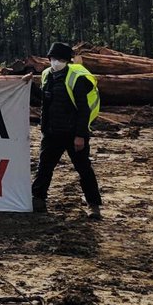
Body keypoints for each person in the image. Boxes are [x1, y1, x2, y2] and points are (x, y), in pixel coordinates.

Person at [31, 42, 102, 219]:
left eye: (60, 59)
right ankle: (38, 199)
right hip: (52, 132)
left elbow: (83, 109)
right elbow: (45, 100)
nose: (56, 62)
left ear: (67, 61)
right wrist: (29, 86)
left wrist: (80, 135)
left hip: (72, 133)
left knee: (84, 169)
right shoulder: (47, 75)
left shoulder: (77, 78)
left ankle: (94, 205)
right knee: (44, 167)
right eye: (53, 58)